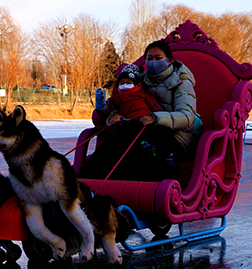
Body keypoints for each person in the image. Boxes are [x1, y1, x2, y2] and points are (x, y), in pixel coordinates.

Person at [81, 40, 197, 180]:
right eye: (149, 58)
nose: (153, 62)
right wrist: (115, 113)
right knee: (116, 142)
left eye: (158, 58)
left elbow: (186, 116)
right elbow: (120, 101)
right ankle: (86, 181)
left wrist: (155, 118)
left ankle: (124, 188)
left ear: (169, 60)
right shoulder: (138, 80)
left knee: (136, 150)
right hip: (141, 130)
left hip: (174, 137)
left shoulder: (181, 82)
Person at [95, 64, 163, 122]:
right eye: (122, 83)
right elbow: (107, 112)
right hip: (127, 124)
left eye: (128, 83)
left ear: (137, 84)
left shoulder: (144, 95)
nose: (125, 85)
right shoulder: (116, 98)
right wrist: (101, 105)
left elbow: (157, 108)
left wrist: (154, 118)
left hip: (145, 124)